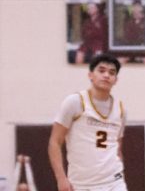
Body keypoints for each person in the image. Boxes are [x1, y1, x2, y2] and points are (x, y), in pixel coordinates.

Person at [48, 54, 127, 191]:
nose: (106, 75)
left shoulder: (120, 109)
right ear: (90, 75)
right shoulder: (74, 102)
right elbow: (55, 142)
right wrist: (61, 178)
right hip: (81, 184)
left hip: (114, 182)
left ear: (116, 80)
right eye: (101, 71)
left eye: (111, 73)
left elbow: (117, 147)